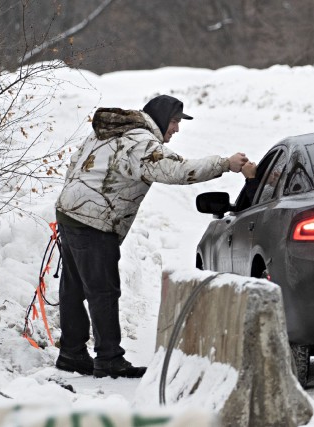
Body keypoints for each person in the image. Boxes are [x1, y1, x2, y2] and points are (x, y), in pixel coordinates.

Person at [54, 94, 248, 378]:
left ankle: (72, 353)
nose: (177, 129)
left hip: (70, 211)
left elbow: (75, 163)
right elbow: (177, 170)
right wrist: (224, 164)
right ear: (160, 117)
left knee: (74, 288)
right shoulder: (140, 142)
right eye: (174, 121)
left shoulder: (112, 132)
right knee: (103, 291)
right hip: (92, 220)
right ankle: (108, 358)